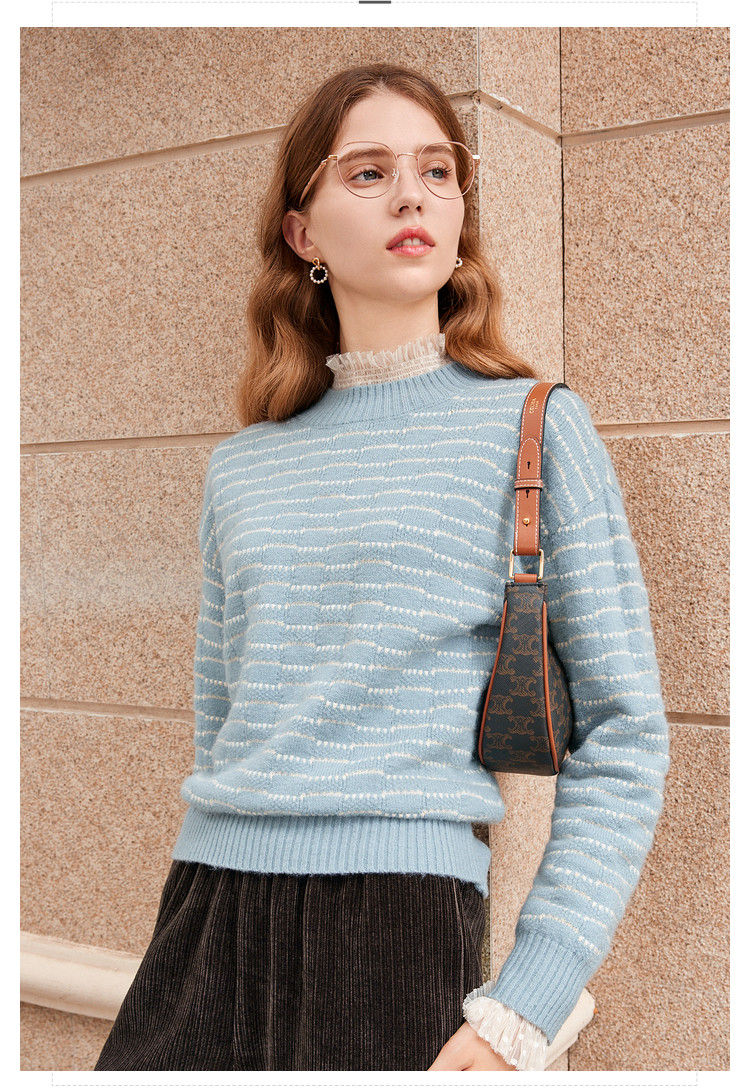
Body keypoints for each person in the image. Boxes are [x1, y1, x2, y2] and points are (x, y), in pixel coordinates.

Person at [94, 61, 670, 1073]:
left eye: (437, 171)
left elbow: (626, 734)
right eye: (368, 172)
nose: (413, 195)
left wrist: (525, 1005)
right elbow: (220, 716)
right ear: (303, 234)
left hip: (396, 920)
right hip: (207, 905)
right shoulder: (244, 466)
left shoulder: (533, 426)